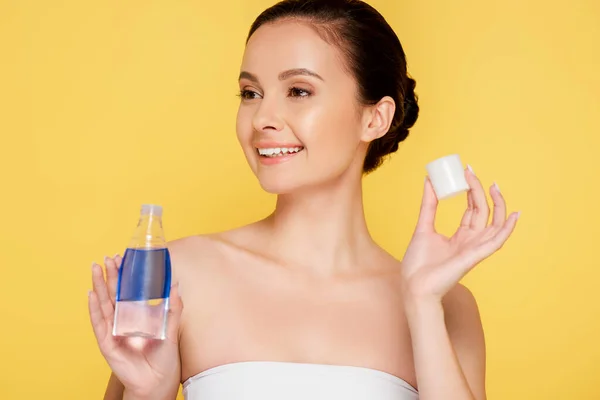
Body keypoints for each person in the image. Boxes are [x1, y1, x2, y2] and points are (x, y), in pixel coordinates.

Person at [88, 0, 520, 399]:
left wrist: (423, 305)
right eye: (250, 93)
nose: (262, 119)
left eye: (298, 91)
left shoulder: (448, 306)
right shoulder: (179, 275)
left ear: (375, 117)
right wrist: (149, 391)